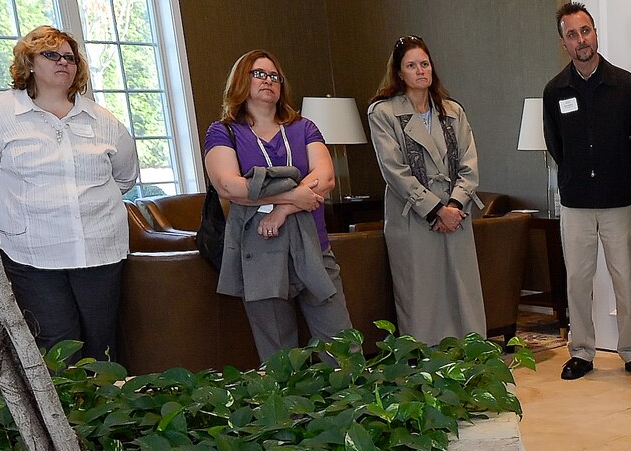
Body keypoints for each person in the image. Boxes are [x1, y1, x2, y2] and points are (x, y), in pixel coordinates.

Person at [0, 26, 137, 363]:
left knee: (103, 344)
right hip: (33, 254)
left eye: (69, 57)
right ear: (28, 63)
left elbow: (125, 176)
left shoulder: (103, 120)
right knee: (57, 345)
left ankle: (109, 412)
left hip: (100, 249)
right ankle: (65, 415)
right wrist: (19, 207)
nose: (63, 62)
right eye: (51, 54)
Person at [202, 50, 350, 360]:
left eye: (274, 76)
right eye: (259, 74)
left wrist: (283, 209)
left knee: (343, 349)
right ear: (241, 80)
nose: (268, 81)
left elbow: (324, 179)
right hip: (260, 253)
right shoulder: (224, 131)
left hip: (314, 247)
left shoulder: (304, 127)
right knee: (280, 358)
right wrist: (293, 196)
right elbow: (229, 186)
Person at [541, 2, 631, 381]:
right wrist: (576, 174)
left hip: (616, 201)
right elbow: (554, 143)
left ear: (595, 33)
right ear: (563, 43)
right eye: (572, 34)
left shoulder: (624, 84)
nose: (581, 40)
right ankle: (582, 352)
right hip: (575, 203)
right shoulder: (555, 90)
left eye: (585, 31)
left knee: (626, 279)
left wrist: (621, 173)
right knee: (578, 281)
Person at [366, 37, 487, 343]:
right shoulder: (383, 113)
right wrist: (435, 210)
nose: (420, 70)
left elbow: (470, 165)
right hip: (414, 218)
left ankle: (472, 364)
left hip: (456, 215)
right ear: (399, 73)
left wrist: (455, 207)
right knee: (422, 298)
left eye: (424, 63)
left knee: (464, 293)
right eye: (411, 65)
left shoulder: (452, 111)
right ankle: (427, 369)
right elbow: (394, 170)